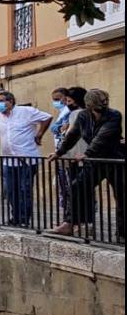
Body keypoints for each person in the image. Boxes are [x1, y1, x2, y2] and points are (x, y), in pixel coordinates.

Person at [0, 91, 51, 226]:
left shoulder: (26, 111)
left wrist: (39, 134)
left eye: (1, 101)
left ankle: (23, 219)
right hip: (9, 161)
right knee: (11, 191)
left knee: (24, 190)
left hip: (27, 160)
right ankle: (15, 218)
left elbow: (47, 117)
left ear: (11, 101)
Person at [51, 88, 126, 239]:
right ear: (89, 105)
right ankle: (70, 223)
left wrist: (87, 153)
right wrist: (59, 152)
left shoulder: (114, 115)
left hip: (115, 159)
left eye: (104, 102)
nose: (103, 105)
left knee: (122, 195)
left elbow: (103, 136)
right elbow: (73, 135)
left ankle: (123, 231)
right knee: (77, 186)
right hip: (95, 160)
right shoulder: (83, 116)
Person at [50, 87, 74, 219]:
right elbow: (55, 128)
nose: (56, 102)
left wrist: (58, 128)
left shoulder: (69, 112)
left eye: (58, 99)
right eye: (54, 99)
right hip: (61, 154)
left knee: (69, 187)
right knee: (63, 187)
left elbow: (66, 129)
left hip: (68, 155)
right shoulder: (62, 113)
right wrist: (59, 128)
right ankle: (67, 216)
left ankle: (72, 217)